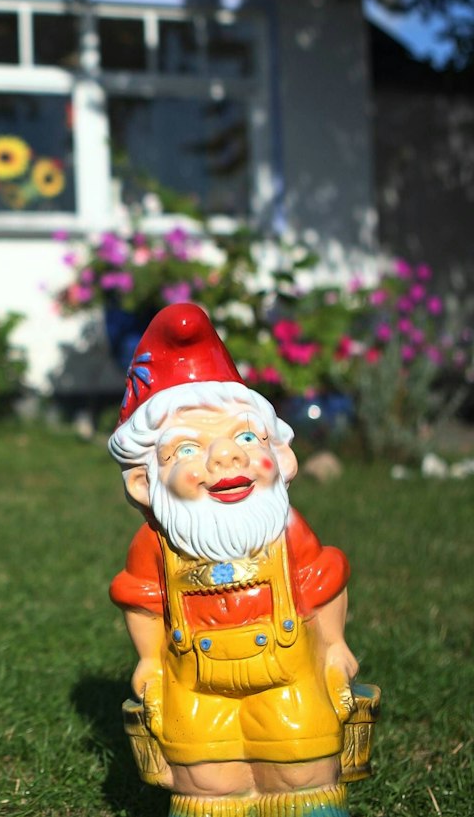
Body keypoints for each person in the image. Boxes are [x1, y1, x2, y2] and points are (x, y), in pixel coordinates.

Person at [106, 303, 368, 817]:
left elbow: (322, 581)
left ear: (284, 459)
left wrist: (334, 646)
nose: (226, 457)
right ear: (144, 482)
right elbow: (142, 600)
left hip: (290, 675)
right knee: (207, 779)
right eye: (187, 449)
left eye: (246, 438)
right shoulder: (156, 545)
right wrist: (151, 661)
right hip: (194, 687)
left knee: (303, 767)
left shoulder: (287, 531)